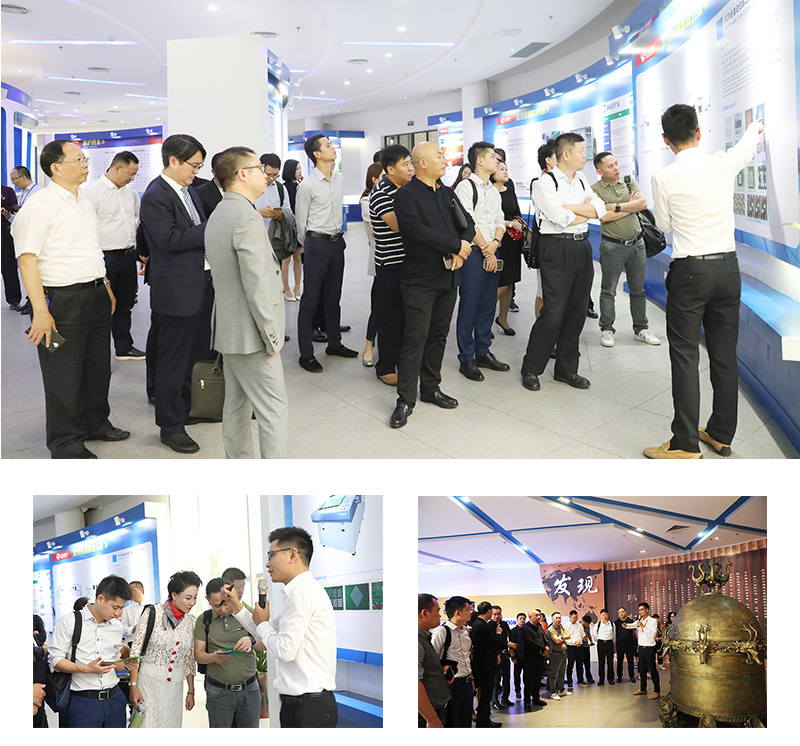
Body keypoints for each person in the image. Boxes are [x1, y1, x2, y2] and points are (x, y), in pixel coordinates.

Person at [646, 104, 764, 458]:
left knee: (685, 356)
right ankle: (720, 433)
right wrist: (756, 126)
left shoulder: (663, 177)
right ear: (699, 132)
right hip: (728, 269)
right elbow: (746, 147)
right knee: (724, 355)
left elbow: (664, 225)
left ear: (665, 139)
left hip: (690, 272)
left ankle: (684, 444)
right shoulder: (722, 163)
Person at [11, 139, 129, 459]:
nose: (85, 164)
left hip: (95, 293)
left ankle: (96, 423)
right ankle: (65, 442)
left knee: (97, 366)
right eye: (78, 160)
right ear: (56, 168)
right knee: (63, 374)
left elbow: (92, 248)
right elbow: (27, 260)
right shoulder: (40, 205)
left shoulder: (84, 200)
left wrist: (105, 285)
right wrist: (40, 312)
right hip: (61, 301)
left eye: (84, 158)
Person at [204, 146, 288, 459]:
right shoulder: (246, 217)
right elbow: (257, 283)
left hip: (229, 328)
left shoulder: (221, 211)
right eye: (258, 168)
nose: (264, 174)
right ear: (242, 174)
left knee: (236, 405)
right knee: (273, 409)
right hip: (252, 334)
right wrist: (271, 334)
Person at [390, 141, 475, 428]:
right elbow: (416, 231)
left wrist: (462, 247)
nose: (444, 159)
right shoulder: (406, 195)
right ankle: (405, 399)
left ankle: (430, 388)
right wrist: (455, 246)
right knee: (416, 337)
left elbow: (468, 223)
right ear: (423, 163)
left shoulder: (447, 192)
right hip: (420, 278)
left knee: (438, 335)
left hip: (449, 276)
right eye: (439, 155)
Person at [139, 133, 211, 454]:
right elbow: (168, 239)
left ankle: (187, 409)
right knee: (172, 360)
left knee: (195, 355)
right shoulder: (155, 195)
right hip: (175, 291)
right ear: (173, 161)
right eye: (193, 165)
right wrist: (212, 227)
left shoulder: (189, 190)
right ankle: (170, 427)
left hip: (201, 284)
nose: (196, 171)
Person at [520, 132, 606, 392]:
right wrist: (583, 212)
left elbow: (599, 209)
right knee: (553, 311)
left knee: (577, 311)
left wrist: (573, 210)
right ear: (566, 154)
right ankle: (531, 368)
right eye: (581, 151)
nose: (585, 156)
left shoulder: (581, 179)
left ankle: (567, 370)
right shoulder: (544, 183)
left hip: (582, 247)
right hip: (556, 248)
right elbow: (559, 218)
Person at [243, 526, 338, 728]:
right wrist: (236, 607)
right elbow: (262, 632)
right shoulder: (300, 592)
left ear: (293, 554)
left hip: (309, 708)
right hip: (303, 705)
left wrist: (263, 623)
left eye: (271, 555)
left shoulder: (303, 592)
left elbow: (284, 650)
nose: (267, 563)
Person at [296, 133, 356, 372]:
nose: (333, 148)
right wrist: (310, 245)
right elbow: (301, 223)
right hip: (316, 243)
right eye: (328, 145)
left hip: (336, 243)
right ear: (316, 154)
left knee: (333, 297)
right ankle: (306, 354)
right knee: (310, 300)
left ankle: (334, 343)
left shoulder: (338, 179)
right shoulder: (307, 184)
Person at [591, 151, 660, 349]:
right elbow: (604, 217)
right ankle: (607, 329)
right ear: (599, 171)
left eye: (616, 163)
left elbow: (642, 204)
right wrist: (630, 205)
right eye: (610, 166)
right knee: (608, 290)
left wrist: (616, 207)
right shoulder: (594, 191)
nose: (616, 168)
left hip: (637, 244)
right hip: (612, 246)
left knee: (638, 290)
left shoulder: (629, 182)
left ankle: (641, 329)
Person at [454, 142, 509, 380]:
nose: (497, 160)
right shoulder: (465, 187)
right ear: (480, 160)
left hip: (491, 250)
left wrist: (495, 244)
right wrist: (487, 250)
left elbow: (499, 220)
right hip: (474, 253)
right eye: (493, 156)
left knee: (488, 303)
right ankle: (466, 357)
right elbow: (467, 222)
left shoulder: (493, 191)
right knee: (470, 304)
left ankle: (483, 351)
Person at [83, 150, 145, 360]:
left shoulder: (128, 193)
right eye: (130, 174)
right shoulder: (94, 192)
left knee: (125, 304)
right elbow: (87, 229)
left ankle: (124, 347)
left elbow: (129, 221)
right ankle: (99, 357)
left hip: (128, 255)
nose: (132, 178)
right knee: (103, 307)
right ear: (117, 168)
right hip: (106, 257)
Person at [48, 575, 133, 727]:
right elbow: (55, 661)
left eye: (122, 608)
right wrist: (86, 669)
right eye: (115, 607)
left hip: (114, 699)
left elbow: (113, 663)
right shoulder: (69, 622)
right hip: (83, 702)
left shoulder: (117, 627)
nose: (119, 613)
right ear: (100, 599)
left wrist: (126, 664)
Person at [128, 571, 199, 727]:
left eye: (195, 598)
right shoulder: (151, 613)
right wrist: (133, 686)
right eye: (188, 598)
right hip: (148, 686)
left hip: (174, 689)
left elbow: (188, 659)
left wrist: (191, 691)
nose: (192, 602)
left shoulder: (188, 622)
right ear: (174, 594)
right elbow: (135, 653)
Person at [369, 144, 415, 386]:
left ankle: (403, 362)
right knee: (390, 316)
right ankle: (385, 366)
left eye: (411, 163)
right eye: (405, 164)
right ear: (390, 169)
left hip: (410, 261)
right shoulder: (381, 193)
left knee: (408, 315)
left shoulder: (407, 189)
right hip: (390, 264)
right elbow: (397, 225)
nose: (411, 168)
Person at [192, 577, 263, 728]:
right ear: (207, 600)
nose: (223, 609)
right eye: (217, 605)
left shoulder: (246, 614)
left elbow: (266, 643)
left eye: (226, 603)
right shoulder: (204, 620)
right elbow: (198, 655)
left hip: (249, 690)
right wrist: (213, 657)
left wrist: (251, 640)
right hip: (219, 693)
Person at [430, 595, 473, 728]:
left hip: (467, 682)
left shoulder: (465, 632)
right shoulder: (441, 632)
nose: (470, 612)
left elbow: (466, 656)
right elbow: (432, 660)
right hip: (452, 684)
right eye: (467, 609)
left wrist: (471, 679)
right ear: (457, 612)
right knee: (452, 721)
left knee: (465, 721)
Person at [492, 160, 524, 335]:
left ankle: (503, 319)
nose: (505, 171)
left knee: (510, 282)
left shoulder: (509, 190)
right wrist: (509, 224)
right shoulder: (489, 192)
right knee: (500, 285)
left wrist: (517, 224)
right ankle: (483, 319)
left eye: (506, 168)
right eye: (500, 169)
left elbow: (516, 213)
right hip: (498, 240)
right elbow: (490, 218)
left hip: (513, 241)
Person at [360, 162, 384, 367]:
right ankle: (369, 345)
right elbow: (381, 225)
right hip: (379, 258)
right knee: (378, 303)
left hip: (399, 258)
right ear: (374, 179)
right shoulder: (367, 201)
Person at [470, 601, 504, 727]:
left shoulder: (478, 624)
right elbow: (495, 642)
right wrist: (498, 633)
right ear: (489, 611)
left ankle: (485, 721)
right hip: (485, 666)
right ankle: (482, 723)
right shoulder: (482, 625)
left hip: (483, 664)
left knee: (485, 696)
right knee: (485, 696)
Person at [418, 593, 450, 728]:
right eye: (437, 611)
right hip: (426, 716)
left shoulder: (425, 638)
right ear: (425, 613)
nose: (440, 616)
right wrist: (431, 719)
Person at [280, 158, 303, 300]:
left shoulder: (301, 186)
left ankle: (297, 287)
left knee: (298, 257)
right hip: (287, 226)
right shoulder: (283, 188)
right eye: (297, 168)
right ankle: (286, 289)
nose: (299, 171)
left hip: (299, 226)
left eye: (300, 168)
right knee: (286, 259)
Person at [626, 602, 660, 699]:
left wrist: (642, 626)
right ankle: (643, 689)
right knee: (642, 669)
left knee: (652, 669)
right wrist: (626, 625)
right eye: (639, 610)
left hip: (649, 648)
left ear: (647, 610)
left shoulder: (653, 621)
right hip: (641, 648)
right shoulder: (639, 620)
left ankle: (657, 691)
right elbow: (632, 625)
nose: (640, 612)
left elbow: (652, 635)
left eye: (642, 610)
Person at [520, 610, 549, 709]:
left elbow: (544, 638)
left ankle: (536, 698)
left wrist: (546, 647)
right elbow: (529, 642)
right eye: (536, 615)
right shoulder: (525, 628)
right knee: (529, 681)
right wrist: (543, 648)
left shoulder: (539, 626)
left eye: (539, 615)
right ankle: (527, 702)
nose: (538, 617)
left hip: (540, 657)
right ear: (530, 617)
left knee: (537, 679)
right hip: (529, 658)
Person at [1, 181, 23, 310]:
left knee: (9, 268)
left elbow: (14, 207)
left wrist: (5, 210)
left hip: (4, 233)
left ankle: (14, 300)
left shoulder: (7, 191)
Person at [489, 605, 514, 710]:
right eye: (495, 614)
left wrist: (511, 648)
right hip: (496, 655)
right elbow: (492, 642)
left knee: (507, 678)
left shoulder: (504, 624)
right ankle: (494, 701)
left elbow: (510, 635)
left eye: (499, 614)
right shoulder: (489, 626)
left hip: (505, 655)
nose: (497, 616)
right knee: (495, 680)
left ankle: (505, 698)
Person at [545, 611, 571, 700]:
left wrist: (561, 637)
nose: (559, 619)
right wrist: (563, 637)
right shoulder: (550, 629)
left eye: (560, 618)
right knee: (554, 674)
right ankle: (553, 692)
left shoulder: (561, 627)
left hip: (564, 653)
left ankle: (561, 690)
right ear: (552, 619)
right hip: (555, 654)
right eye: (556, 618)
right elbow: (556, 641)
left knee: (562, 673)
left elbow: (569, 636)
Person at [562, 610, 587, 690]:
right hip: (571, 647)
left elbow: (582, 634)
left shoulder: (579, 625)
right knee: (570, 665)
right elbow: (566, 638)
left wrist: (584, 637)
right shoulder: (566, 626)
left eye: (577, 618)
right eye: (574, 618)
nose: (576, 619)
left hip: (580, 647)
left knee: (580, 665)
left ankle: (580, 680)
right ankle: (569, 681)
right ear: (569, 617)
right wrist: (574, 642)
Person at [614, 607, 637, 683]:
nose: (621, 613)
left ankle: (631, 676)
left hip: (629, 644)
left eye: (623, 611)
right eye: (619, 612)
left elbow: (634, 632)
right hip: (620, 645)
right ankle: (619, 676)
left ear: (625, 612)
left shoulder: (631, 621)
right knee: (619, 661)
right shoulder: (616, 623)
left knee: (630, 661)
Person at [595, 608, 615, 685]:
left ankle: (610, 679)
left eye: (606, 615)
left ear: (608, 615)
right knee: (601, 662)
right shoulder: (598, 625)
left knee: (610, 662)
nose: (605, 616)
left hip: (609, 644)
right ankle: (601, 679)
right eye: (603, 615)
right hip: (601, 644)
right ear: (600, 616)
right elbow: (595, 635)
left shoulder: (612, 624)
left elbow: (614, 635)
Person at [509, 612, 526, 700]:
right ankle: (518, 690)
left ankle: (528, 690)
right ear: (517, 620)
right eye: (520, 618)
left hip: (527, 657)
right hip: (518, 657)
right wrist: (513, 657)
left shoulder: (527, 630)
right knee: (517, 675)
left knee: (527, 675)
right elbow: (511, 646)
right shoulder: (513, 631)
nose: (522, 620)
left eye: (524, 618)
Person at [579, 613, 595, 684]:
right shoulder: (578, 626)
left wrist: (591, 641)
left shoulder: (587, 627)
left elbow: (588, 634)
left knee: (587, 663)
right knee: (580, 664)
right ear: (583, 621)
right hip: (579, 647)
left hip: (586, 647)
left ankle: (589, 677)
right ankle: (580, 679)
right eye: (587, 623)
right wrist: (581, 639)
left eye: (588, 624)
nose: (587, 625)